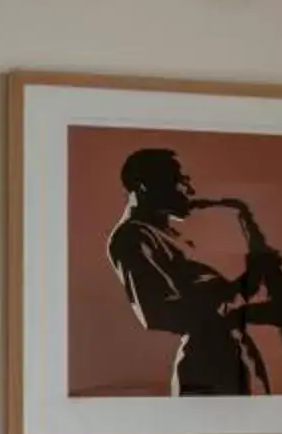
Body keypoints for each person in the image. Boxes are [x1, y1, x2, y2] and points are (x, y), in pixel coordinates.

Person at [107, 148, 269, 396]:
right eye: (181, 181)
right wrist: (244, 289)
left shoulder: (166, 233)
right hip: (208, 371)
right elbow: (158, 313)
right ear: (143, 186)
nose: (190, 192)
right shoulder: (132, 237)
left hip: (230, 360)